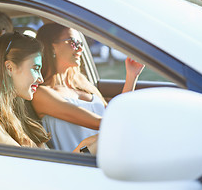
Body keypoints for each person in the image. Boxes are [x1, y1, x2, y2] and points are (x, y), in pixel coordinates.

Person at [0, 32, 98, 154]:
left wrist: (88, 144)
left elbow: (49, 168)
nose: (41, 79)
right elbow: (34, 175)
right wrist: (87, 151)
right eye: (36, 68)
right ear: (9, 68)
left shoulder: (18, 118)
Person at [31, 23, 145, 151]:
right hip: (82, 163)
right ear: (52, 47)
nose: (80, 49)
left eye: (81, 43)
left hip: (110, 152)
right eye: (74, 42)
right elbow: (102, 123)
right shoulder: (41, 94)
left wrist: (131, 75)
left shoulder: (82, 83)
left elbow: (113, 116)